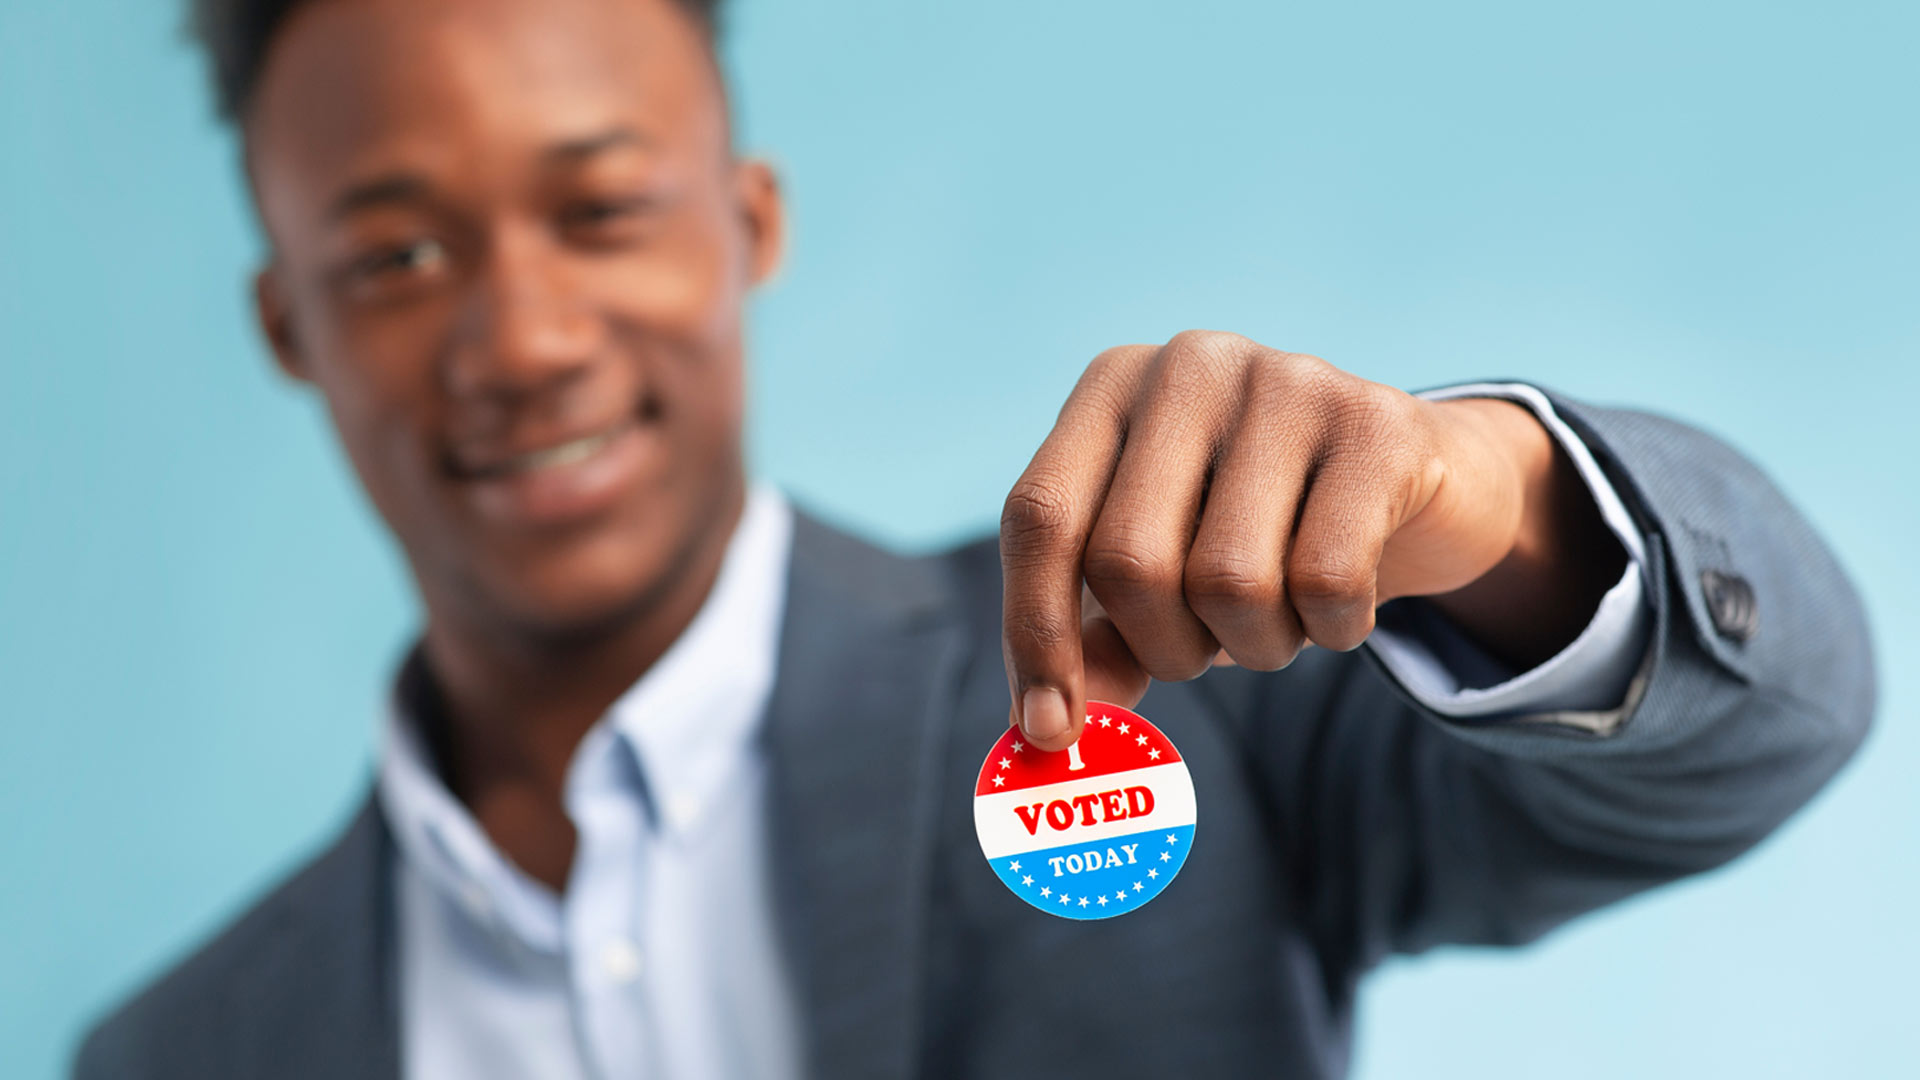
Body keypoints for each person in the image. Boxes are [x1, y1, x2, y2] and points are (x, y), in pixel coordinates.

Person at [74, 0, 1874, 1076]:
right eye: (394, 256)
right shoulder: (179, 1055)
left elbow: (1765, 735)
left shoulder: (1185, 687)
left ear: (745, 224)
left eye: (602, 207)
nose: (527, 339)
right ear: (289, 326)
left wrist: (1486, 500)